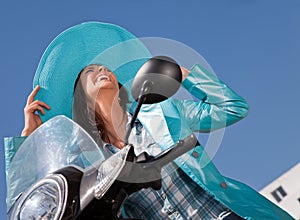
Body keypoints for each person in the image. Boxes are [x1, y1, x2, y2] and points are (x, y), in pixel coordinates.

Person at [4, 22, 293, 220]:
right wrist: (29, 139)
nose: (102, 69)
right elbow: (38, 205)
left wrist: (187, 75)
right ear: (81, 95)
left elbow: (233, 108)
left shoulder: (165, 113)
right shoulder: (85, 160)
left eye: (104, 66)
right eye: (90, 71)